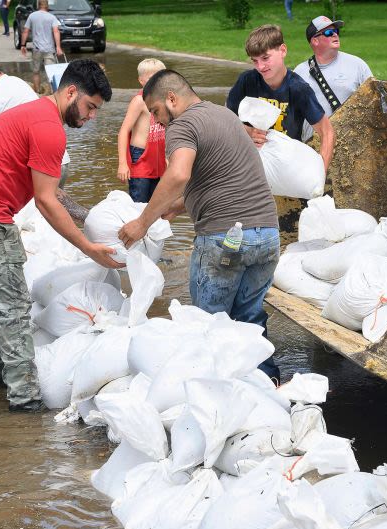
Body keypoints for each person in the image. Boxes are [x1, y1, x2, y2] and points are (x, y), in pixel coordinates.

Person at [0, 60, 119, 411]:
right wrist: (87, 248)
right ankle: (24, 401)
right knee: (15, 304)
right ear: (70, 92)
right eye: (90, 107)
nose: (92, 116)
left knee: (3, 295)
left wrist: (89, 218)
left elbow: (51, 194)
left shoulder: (38, 114)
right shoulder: (49, 129)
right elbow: (46, 201)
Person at [118, 70, 282, 380]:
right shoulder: (224, 115)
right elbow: (226, 174)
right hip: (267, 236)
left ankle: (212, 395)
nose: (156, 120)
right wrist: (179, 206)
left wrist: (143, 222)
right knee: (249, 320)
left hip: (226, 240)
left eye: (155, 111)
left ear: (172, 99)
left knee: (208, 324)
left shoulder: (182, 125)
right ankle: (267, 386)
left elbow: (179, 174)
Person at [226, 24, 335, 172]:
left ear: (283, 50)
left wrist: (320, 173)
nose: (261, 66)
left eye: (265, 58)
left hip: (285, 168)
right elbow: (225, 118)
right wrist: (247, 131)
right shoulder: (247, 81)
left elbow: (327, 132)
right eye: (255, 61)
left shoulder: (299, 88)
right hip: (249, 164)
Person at [293, 16, 372, 138]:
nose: (335, 35)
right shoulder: (300, 72)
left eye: (336, 31)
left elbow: (375, 101)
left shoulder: (357, 65)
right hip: (314, 147)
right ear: (315, 41)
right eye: (329, 32)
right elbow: (292, 113)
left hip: (353, 145)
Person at [116, 58, 167, 203]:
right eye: (151, 78)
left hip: (157, 157)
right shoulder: (139, 101)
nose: (157, 81)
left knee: (155, 205)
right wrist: (122, 163)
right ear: (141, 81)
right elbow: (124, 131)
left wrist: (166, 158)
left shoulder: (164, 101)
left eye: (160, 77)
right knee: (139, 204)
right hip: (140, 157)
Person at [20, 0, 62, 95]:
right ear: (47, 6)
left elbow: (25, 31)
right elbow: (56, 31)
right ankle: (53, 94)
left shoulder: (32, 16)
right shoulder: (52, 17)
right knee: (51, 74)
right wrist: (58, 47)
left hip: (36, 49)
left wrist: (23, 45)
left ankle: (37, 92)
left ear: (38, 5)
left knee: (36, 72)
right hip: (49, 49)